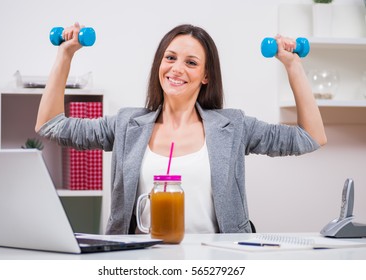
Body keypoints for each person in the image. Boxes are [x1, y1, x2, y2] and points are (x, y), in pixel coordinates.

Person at [35, 23, 327, 234]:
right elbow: (51, 126)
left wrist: (292, 65)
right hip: (140, 265)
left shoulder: (233, 126)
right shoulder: (126, 125)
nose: (176, 69)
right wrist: (65, 55)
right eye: (170, 58)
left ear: (205, 76)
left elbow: (310, 137)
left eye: (191, 62)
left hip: (217, 264)